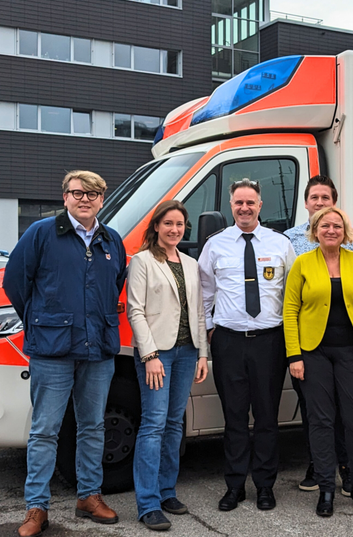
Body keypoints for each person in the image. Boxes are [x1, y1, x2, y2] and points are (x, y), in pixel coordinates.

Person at [3, 170, 127, 537]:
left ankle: (89, 496)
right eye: (77, 193)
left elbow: (115, 283)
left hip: (98, 348)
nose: (84, 199)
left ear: (102, 199)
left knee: (93, 426)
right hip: (52, 350)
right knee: (45, 431)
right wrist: (42, 320)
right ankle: (36, 507)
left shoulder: (112, 240)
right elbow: (15, 282)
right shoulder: (41, 234)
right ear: (65, 197)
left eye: (92, 193)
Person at [284, 206, 353, 517]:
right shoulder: (302, 264)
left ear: (346, 232)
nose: (331, 230)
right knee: (321, 422)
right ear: (315, 230)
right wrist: (294, 356)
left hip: (352, 353)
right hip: (312, 353)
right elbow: (289, 312)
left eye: (337, 226)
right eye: (325, 225)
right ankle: (326, 490)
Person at [198, 178, 296, 512]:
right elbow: (205, 292)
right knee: (235, 417)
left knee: (267, 417)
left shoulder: (280, 244)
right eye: (238, 202)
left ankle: (265, 486)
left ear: (260, 206)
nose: (244, 208)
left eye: (250, 202)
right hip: (229, 342)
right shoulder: (215, 244)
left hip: (270, 341)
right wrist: (210, 331)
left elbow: (291, 294)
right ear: (231, 205)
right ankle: (235, 486)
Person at [127, 200, 210, 531]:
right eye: (168, 224)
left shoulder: (191, 263)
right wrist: (149, 356)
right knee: (153, 424)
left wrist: (203, 352)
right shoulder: (142, 262)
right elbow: (135, 310)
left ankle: (166, 492)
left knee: (175, 424)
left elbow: (200, 311)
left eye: (179, 224)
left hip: (187, 352)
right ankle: (147, 503)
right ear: (156, 227)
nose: (174, 229)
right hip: (157, 355)